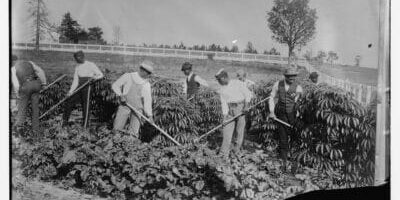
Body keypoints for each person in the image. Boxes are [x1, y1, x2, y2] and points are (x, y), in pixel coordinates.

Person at [268, 67, 303, 172]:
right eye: (289, 77)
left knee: (294, 139)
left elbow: (299, 102)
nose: (292, 79)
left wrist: (297, 112)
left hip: (292, 116)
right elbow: (271, 97)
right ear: (285, 76)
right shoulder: (277, 84)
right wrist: (271, 112)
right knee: (283, 139)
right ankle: (283, 163)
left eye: (293, 77)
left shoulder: (298, 88)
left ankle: (294, 163)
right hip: (281, 115)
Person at [215, 69, 252, 158]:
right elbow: (223, 103)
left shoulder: (237, 83)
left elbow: (248, 94)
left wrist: (246, 106)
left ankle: (236, 152)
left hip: (240, 108)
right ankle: (224, 154)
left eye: (219, 80)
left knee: (239, 132)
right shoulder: (222, 89)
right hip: (229, 110)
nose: (218, 82)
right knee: (227, 131)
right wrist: (224, 117)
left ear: (224, 78)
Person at [112, 61, 154, 138]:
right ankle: (114, 144)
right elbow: (115, 85)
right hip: (125, 105)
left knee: (134, 132)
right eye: (147, 72)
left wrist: (150, 116)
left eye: (149, 73)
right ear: (142, 69)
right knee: (117, 128)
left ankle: (131, 147)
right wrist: (121, 95)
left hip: (138, 109)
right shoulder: (128, 76)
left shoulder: (146, 84)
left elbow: (147, 100)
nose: (148, 75)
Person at [62, 51, 103, 127]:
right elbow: (75, 80)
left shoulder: (91, 64)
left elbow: (100, 75)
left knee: (86, 104)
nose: (78, 59)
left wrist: (94, 78)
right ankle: (65, 122)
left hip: (88, 85)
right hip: (80, 84)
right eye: (76, 58)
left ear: (83, 57)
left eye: (79, 57)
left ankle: (85, 125)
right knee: (69, 100)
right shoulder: (77, 66)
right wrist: (70, 91)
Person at [11, 55, 47, 134]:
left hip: (26, 86)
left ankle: (20, 130)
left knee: (22, 108)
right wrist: (44, 83)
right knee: (35, 108)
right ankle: (35, 130)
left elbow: (16, 84)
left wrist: (17, 94)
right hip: (36, 84)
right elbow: (40, 71)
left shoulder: (13, 69)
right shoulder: (29, 63)